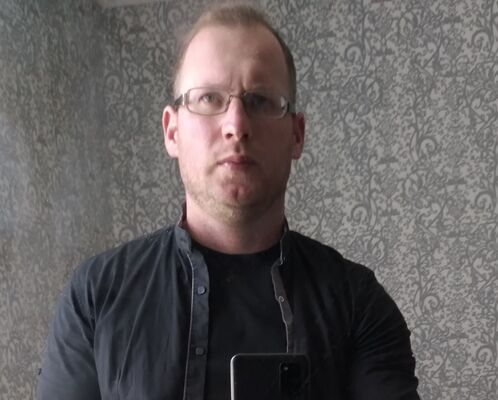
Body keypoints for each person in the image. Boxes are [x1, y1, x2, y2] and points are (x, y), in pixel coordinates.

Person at [37, 3, 420, 400]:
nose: (236, 125)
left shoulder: (358, 304)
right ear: (172, 131)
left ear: (296, 135)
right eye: (208, 98)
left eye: (260, 101)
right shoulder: (96, 295)